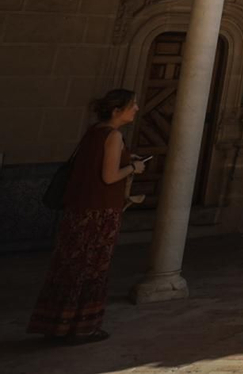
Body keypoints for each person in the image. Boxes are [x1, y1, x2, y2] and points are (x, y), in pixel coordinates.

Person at [28, 89, 146, 343]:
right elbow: (109, 177)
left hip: (79, 211)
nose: (136, 109)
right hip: (99, 213)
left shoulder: (94, 132)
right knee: (91, 269)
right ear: (117, 111)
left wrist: (126, 159)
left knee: (70, 268)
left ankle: (57, 324)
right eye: (132, 105)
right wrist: (133, 167)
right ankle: (82, 326)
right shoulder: (113, 136)